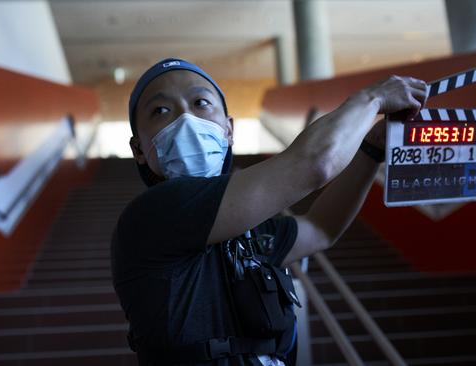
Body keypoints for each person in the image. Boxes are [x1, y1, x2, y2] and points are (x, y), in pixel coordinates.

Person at [111, 58, 427, 366]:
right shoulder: (152, 217)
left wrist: (371, 150)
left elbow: (321, 228)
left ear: (228, 129)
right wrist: (371, 99)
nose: (186, 119)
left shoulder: (252, 231)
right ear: (138, 149)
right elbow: (314, 163)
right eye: (161, 110)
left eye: (201, 103)